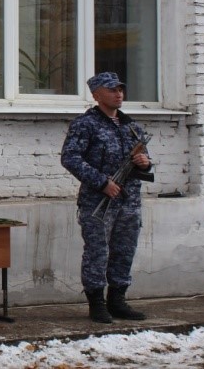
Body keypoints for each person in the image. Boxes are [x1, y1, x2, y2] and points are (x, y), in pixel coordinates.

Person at [61, 72, 153, 324]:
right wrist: (102, 182)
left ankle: (118, 300)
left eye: (120, 89)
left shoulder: (132, 127)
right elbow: (70, 158)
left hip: (129, 200)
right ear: (96, 94)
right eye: (112, 89)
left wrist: (144, 163)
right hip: (98, 202)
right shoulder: (85, 124)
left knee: (124, 251)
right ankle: (97, 303)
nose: (118, 93)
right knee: (97, 252)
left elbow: (144, 159)